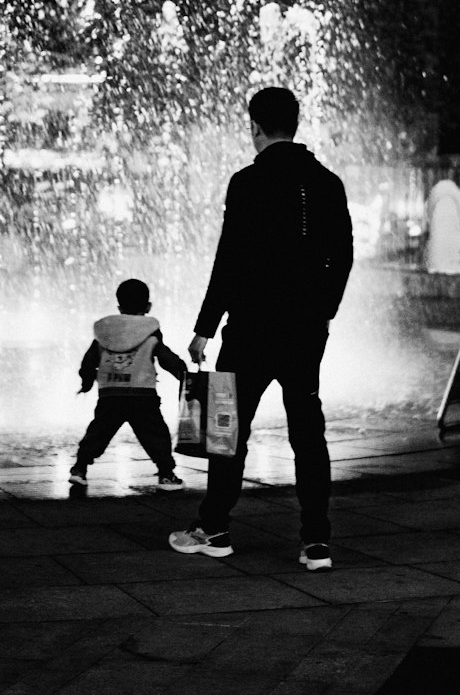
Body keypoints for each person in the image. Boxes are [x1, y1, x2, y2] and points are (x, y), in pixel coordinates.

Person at [169, 85, 353, 569]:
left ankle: (216, 528)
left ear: (254, 127)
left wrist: (205, 326)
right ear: (294, 124)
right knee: (308, 434)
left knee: (226, 430)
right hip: (305, 331)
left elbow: (230, 258)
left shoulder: (247, 182)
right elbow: (344, 256)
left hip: (250, 329)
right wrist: (324, 310)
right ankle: (316, 542)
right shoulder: (328, 182)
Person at [71, 277, 188, 492]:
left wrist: (87, 381)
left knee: (98, 432)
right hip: (142, 394)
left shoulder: (105, 333)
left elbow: (89, 360)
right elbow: (164, 357)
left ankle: (79, 469)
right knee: (155, 435)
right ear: (148, 306)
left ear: (119, 307)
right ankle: (166, 474)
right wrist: (184, 374)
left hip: (111, 393)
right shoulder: (150, 331)